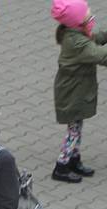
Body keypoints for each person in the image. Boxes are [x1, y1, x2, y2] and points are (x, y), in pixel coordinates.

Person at [50, 0, 107, 183]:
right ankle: (61, 166)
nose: (90, 12)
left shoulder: (76, 33)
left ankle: (74, 159)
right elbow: (99, 55)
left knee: (77, 127)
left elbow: (94, 40)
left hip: (77, 90)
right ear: (77, 19)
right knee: (74, 130)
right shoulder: (76, 42)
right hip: (72, 93)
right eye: (86, 11)